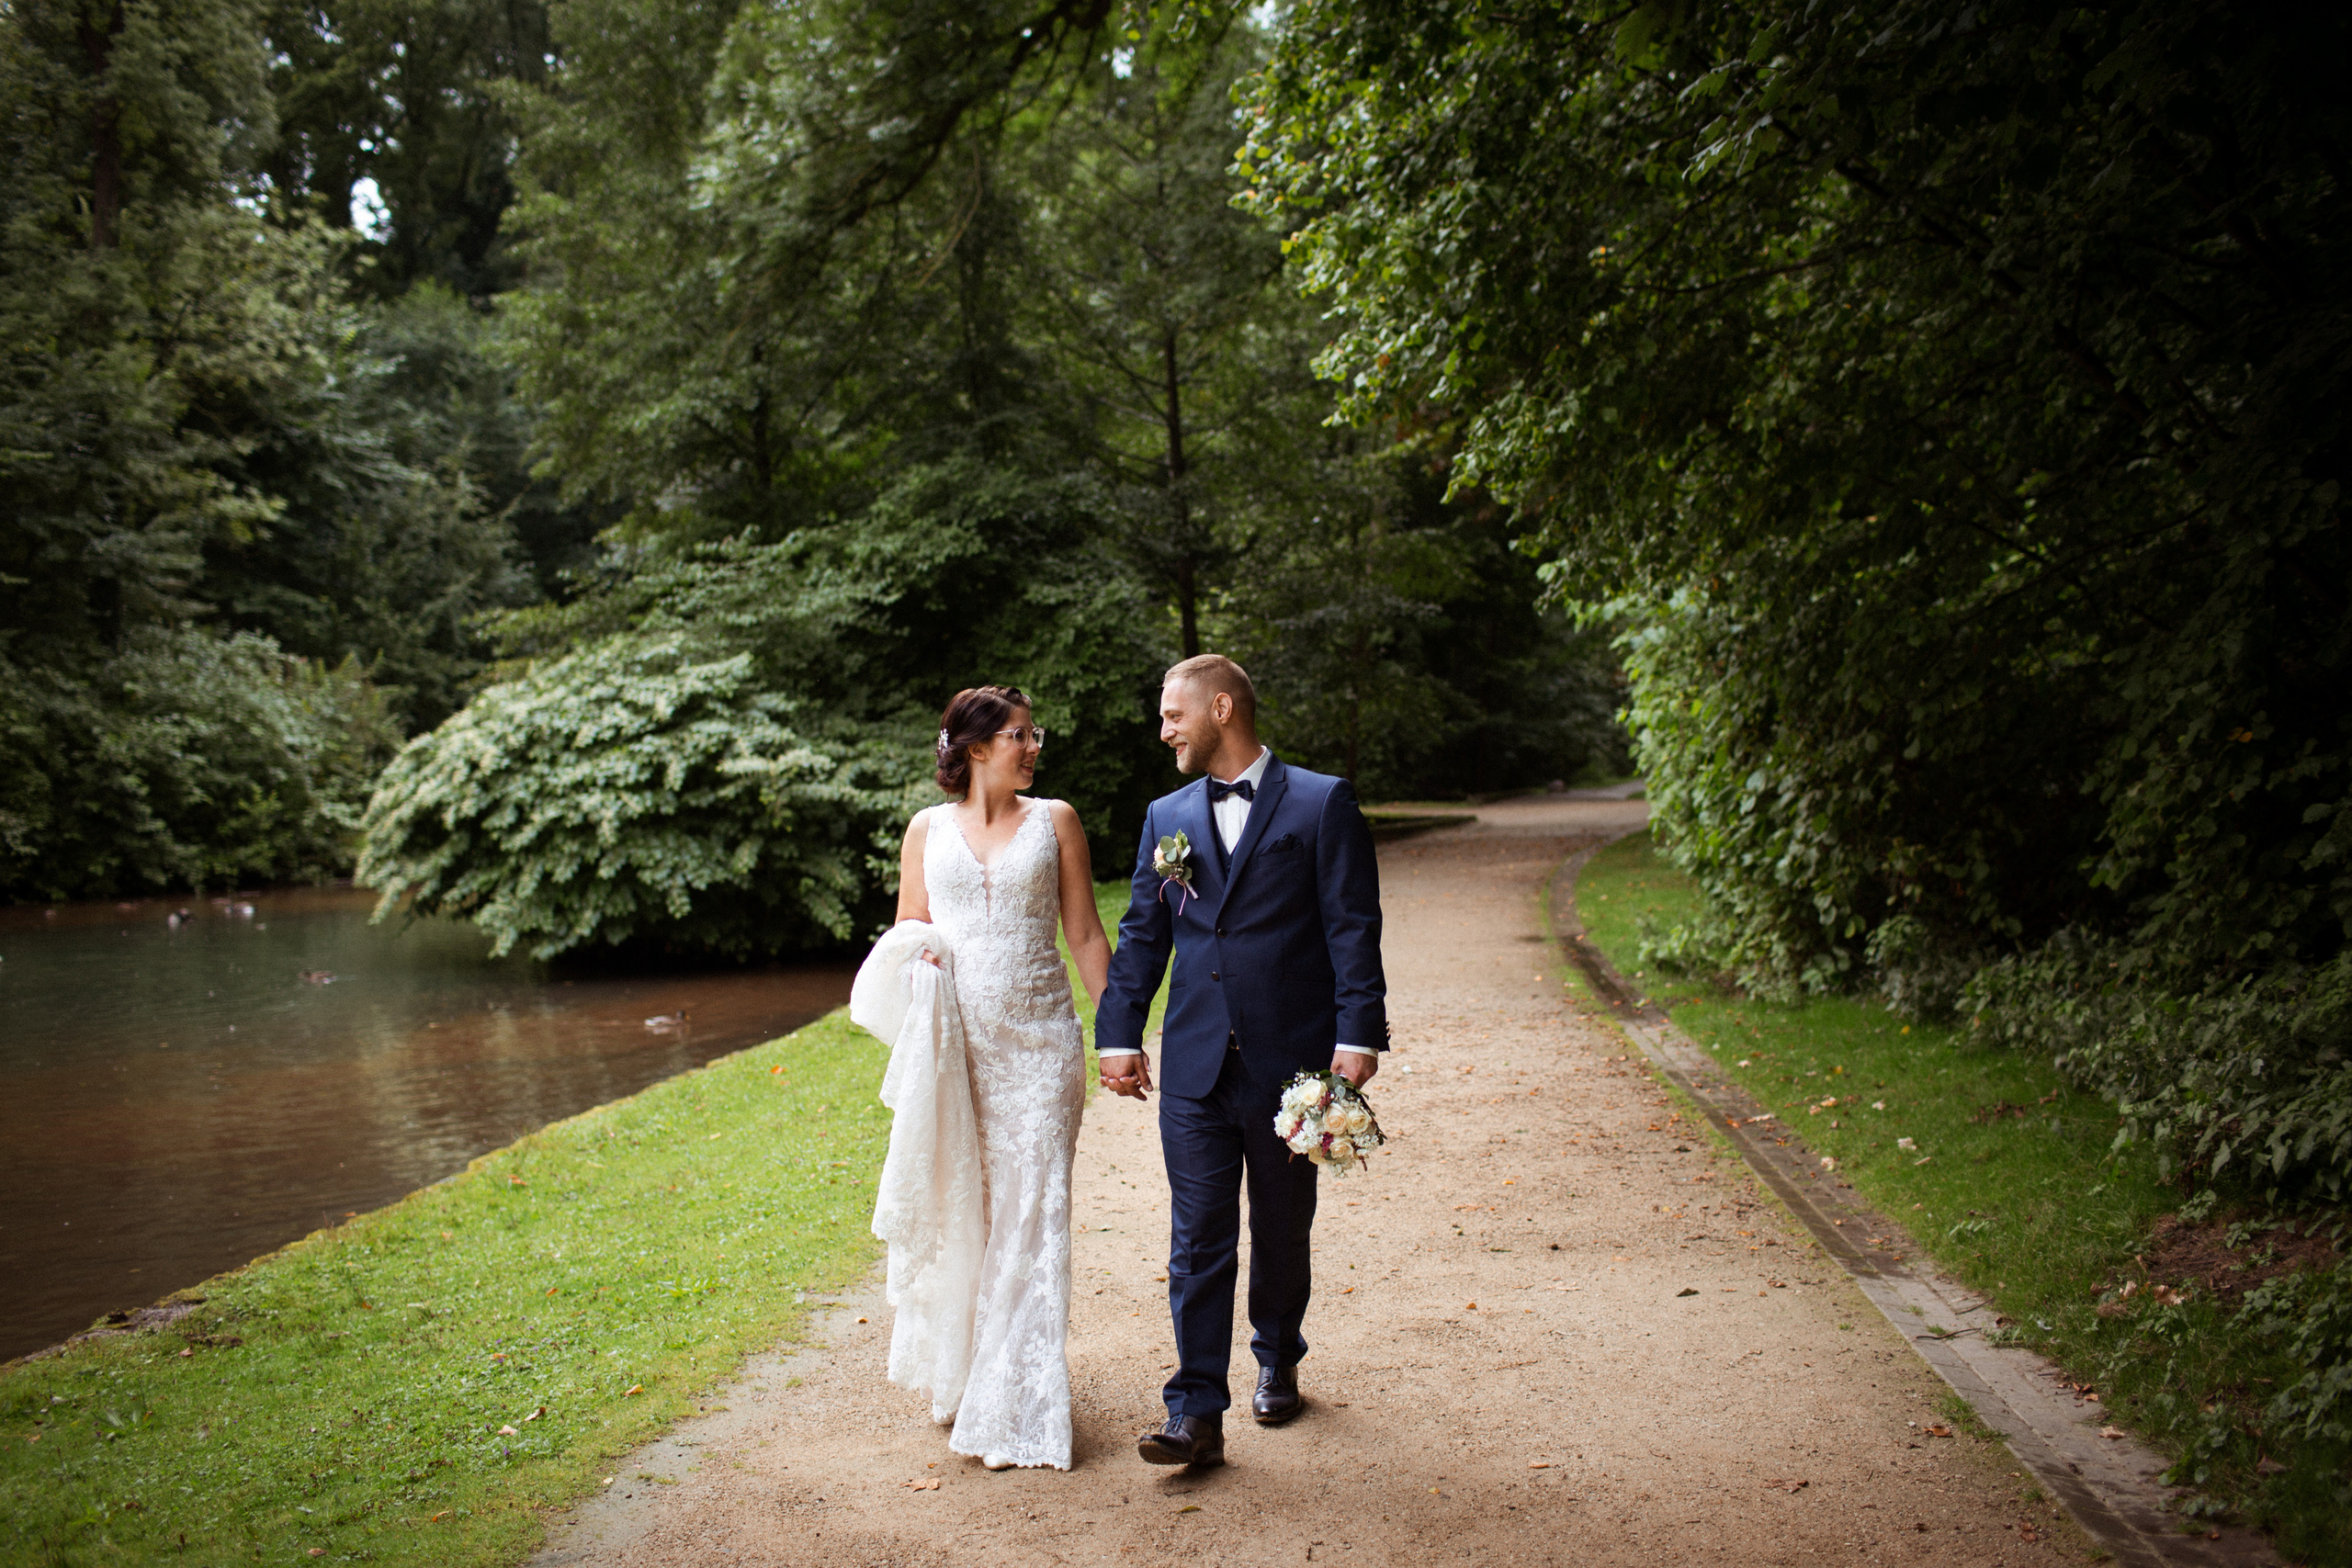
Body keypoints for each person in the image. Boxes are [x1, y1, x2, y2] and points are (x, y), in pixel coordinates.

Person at [1093, 654, 1387, 1469]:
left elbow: (1351, 928)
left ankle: (1278, 1351)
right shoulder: (1167, 815)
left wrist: (1357, 1036)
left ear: (1221, 708)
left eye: (1171, 714)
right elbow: (1144, 935)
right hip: (1193, 1064)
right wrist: (1119, 1032)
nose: (1163, 730)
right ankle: (1194, 1412)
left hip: (1290, 1065)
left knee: (1283, 1228)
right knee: (1197, 1238)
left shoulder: (1322, 802)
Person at [851, 685, 1112, 1471]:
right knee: (977, 1210)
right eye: (1019, 736)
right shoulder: (925, 830)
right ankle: (965, 1372)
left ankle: (1016, 1398)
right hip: (960, 1054)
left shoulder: (1056, 821)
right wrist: (920, 957)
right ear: (973, 748)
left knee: (1033, 1217)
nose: (1033, 748)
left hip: (1040, 1051)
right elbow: (908, 930)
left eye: (1036, 735)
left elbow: (1086, 932)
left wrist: (1121, 1032)